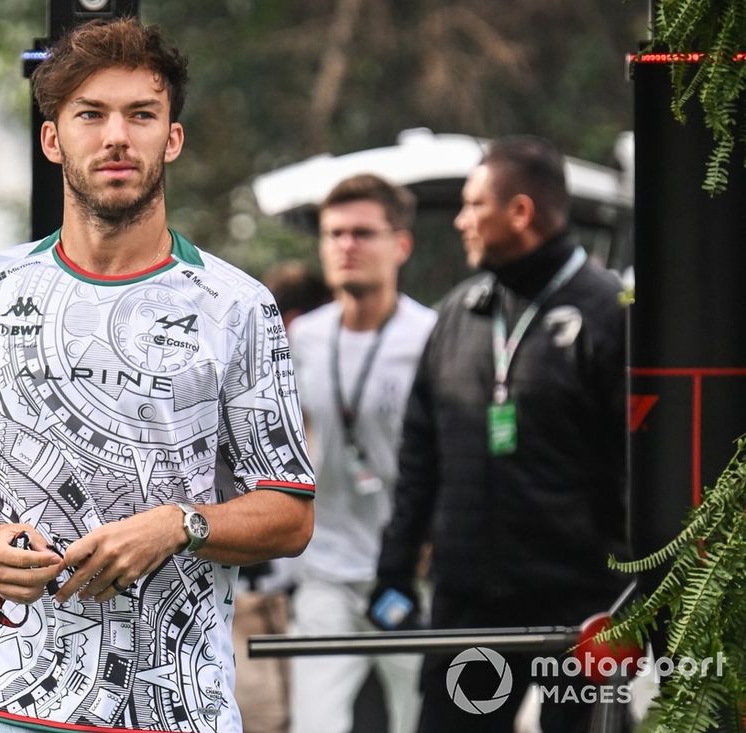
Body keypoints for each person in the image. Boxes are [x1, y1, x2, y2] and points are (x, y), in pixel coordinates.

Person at [0, 18, 315, 733]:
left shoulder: (238, 306)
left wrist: (179, 525)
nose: (117, 137)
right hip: (6, 696)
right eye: (91, 115)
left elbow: (290, 511)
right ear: (53, 139)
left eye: (142, 115)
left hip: (175, 705)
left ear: (172, 139)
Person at [373, 136, 629, 733]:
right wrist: (395, 569)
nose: (461, 220)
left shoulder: (609, 312)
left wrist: (632, 598)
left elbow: (635, 468)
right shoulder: (459, 313)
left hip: (578, 605)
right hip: (470, 604)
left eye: (473, 205)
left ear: (519, 212)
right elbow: (420, 457)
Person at [288, 174, 436, 733]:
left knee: (417, 722)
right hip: (325, 570)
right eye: (334, 234)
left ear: (400, 244)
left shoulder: (431, 336)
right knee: (314, 725)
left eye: (362, 233)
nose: (346, 246)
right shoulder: (304, 338)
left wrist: (432, 541)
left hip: (409, 574)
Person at [228, 260, 330, 733]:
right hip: (250, 597)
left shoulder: (307, 390)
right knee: (265, 718)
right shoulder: (242, 381)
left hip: (304, 590)